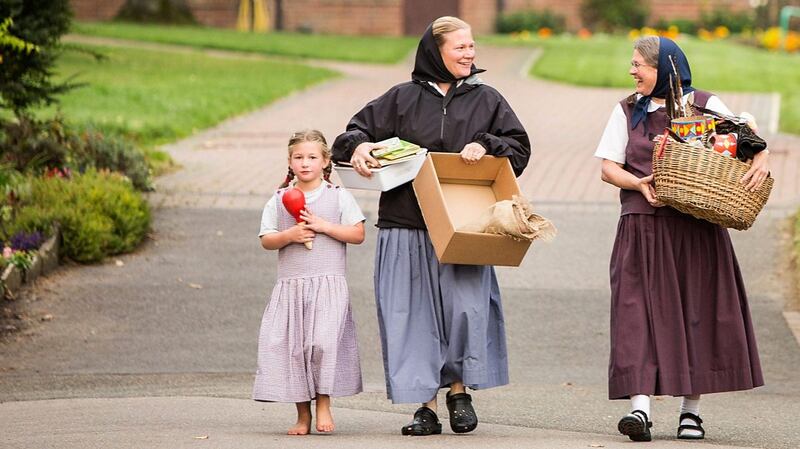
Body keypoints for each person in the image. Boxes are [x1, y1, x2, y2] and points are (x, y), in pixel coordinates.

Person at [332, 16, 530, 436]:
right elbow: (350, 135)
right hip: (405, 225)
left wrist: (487, 145)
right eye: (460, 47)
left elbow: (519, 148)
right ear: (435, 52)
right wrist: (363, 147)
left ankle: (459, 392)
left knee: (464, 311)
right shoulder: (401, 99)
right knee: (411, 315)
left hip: (465, 228)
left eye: (472, 46)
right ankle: (426, 406)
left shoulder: (487, 99)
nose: (470, 54)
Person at [594, 36, 768, 442]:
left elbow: (750, 142)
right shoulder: (626, 111)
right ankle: (640, 408)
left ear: (665, 68)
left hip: (697, 228)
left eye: (639, 64)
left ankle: (691, 412)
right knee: (636, 313)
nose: (632, 71)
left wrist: (761, 155)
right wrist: (638, 184)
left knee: (697, 311)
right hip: (643, 225)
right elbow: (607, 167)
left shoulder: (707, 106)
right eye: (632, 64)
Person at [252, 129, 366, 435]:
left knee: (322, 344)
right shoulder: (278, 199)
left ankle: (324, 403)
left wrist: (324, 226)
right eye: (298, 157)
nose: (305, 163)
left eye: (312, 157)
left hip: (328, 287)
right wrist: (289, 235)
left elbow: (357, 234)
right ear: (290, 162)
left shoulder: (338, 196)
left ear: (325, 161)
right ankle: (303, 415)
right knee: (294, 349)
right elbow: (267, 239)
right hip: (292, 287)